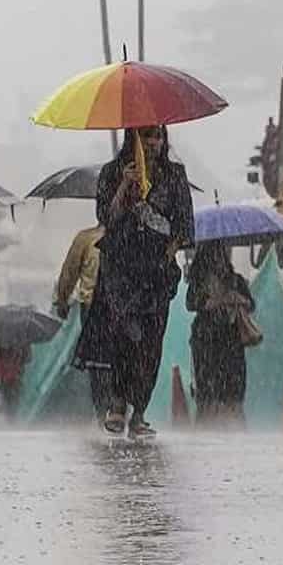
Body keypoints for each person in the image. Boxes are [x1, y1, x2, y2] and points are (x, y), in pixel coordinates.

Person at [74, 126, 193, 440]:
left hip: (156, 274)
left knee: (150, 346)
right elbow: (107, 219)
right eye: (146, 136)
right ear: (132, 138)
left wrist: (167, 253)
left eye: (157, 136)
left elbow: (184, 226)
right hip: (121, 272)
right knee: (124, 338)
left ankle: (138, 412)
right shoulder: (113, 172)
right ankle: (116, 403)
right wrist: (125, 186)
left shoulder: (174, 175)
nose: (152, 143)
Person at [186, 241, 255, 426]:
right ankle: (208, 427)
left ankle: (233, 427)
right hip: (207, 341)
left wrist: (238, 299)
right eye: (217, 253)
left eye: (223, 253)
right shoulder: (199, 282)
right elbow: (191, 304)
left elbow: (251, 304)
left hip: (230, 341)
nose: (222, 257)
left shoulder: (236, 281)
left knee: (232, 393)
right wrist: (218, 300)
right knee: (209, 394)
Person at [52, 223, 109, 416]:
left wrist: (62, 300)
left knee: (98, 362)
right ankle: (107, 408)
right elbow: (70, 272)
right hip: (104, 308)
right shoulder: (87, 239)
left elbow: (69, 272)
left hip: (98, 308)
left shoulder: (86, 238)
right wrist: (62, 298)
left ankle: (104, 408)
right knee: (104, 361)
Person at [0, 345, 30, 420]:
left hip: (0, 377)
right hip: (12, 378)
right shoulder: (22, 338)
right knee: (10, 410)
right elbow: (28, 358)